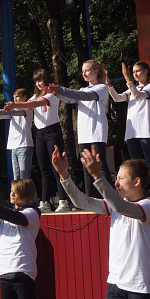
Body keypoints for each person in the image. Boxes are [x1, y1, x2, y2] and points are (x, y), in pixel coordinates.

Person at [52, 146, 150, 299]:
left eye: (121, 178)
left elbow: (122, 206)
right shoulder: (114, 205)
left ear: (137, 181)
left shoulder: (149, 207)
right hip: (116, 286)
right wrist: (64, 175)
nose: (117, 183)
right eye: (115, 178)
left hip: (141, 287)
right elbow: (81, 201)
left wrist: (97, 176)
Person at [4, 69, 70, 212]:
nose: (38, 84)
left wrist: (15, 105)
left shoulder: (52, 95)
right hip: (40, 133)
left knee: (56, 168)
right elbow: (28, 104)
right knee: (43, 169)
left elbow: (33, 105)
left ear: (47, 80)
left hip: (53, 132)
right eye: (36, 81)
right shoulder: (34, 96)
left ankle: (63, 200)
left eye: (40, 80)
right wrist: (9, 107)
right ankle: (45, 201)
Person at [47, 60, 112, 198]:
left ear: (96, 71)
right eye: (82, 71)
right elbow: (70, 99)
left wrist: (61, 89)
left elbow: (84, 96)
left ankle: (109, 199)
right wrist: (57, 93)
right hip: (84, 134)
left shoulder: (102, 88)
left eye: (87, 70)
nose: (84, 74)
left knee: (100, 166)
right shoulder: (83, 89)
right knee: (86, 168)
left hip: (97, 132)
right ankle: (90, 200)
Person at [107, 61, 150, 196]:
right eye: (133, 72)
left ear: (146, 71)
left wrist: (127, 78)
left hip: (145, 131)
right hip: (132, 132)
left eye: (138, 71)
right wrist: (109, 85)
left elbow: (137, 95)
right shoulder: (132, 89)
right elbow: (118, 98)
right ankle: (137, 195)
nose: (135, 74)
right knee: (134, 167)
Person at [0, 88, 34, 181]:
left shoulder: (27, 109)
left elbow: (11, 112)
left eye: (17, 97)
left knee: (25, 177)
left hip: (24, 145)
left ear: (24, 97)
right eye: (14, 97)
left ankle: (30, 191)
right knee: (16, 177)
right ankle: (18, 191)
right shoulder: (13, 110)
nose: (15, 99)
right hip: (13, 146)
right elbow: (4, 115)